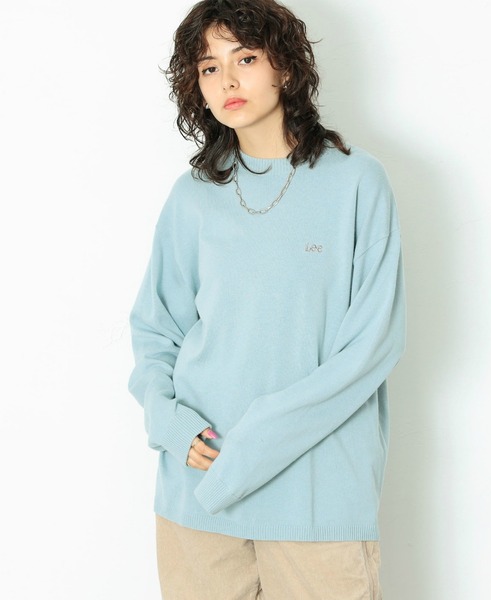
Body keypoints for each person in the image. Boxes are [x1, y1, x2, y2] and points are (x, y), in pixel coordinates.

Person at [128, 0, 405, 597]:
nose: (227, 80)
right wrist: (170, 423)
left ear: (285, 65)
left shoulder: (357, 183)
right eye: (209, 67)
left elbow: (371, 348)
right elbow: (156, 330)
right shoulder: (192, 196)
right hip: (198, 495)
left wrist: (252, 446)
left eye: (245, 58)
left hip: (317, 498)